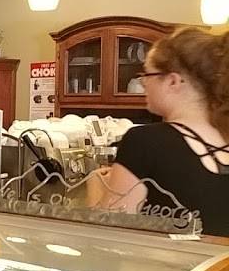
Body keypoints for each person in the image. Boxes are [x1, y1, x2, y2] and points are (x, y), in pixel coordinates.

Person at [96, 28, 229, 237]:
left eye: (147, 74)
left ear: (173, 81)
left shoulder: (144, 142)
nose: (143, 83)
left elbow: (110, 235)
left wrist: (96, 187)